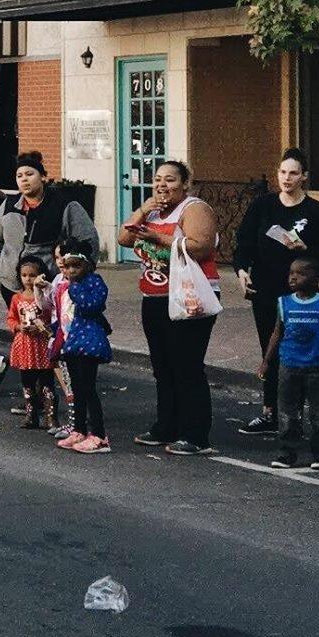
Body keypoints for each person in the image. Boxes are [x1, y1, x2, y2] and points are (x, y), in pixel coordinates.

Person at [233, 149, 319, 436]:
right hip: (265, 287)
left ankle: (296, 413)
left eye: (293, 173)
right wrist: (241, 270)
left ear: (304, 176)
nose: (287, 178)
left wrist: (306, 249)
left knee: (298, 350)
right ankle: (271, 411)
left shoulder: (315, 211)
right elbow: (244, 243)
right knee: (271, 348)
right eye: (282, 172)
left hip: (300, 293)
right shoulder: (262, 206)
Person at [120, 158, 220, 455]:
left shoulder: (194, 208)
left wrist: (158, 237)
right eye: (158, 179)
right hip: (154, 296)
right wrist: (142, 211)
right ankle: (166, 426)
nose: (162, 185)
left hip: (187, 298)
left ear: (185, 184)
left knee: (186, 365)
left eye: (170, 180)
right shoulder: (151, 211)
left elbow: (202, 246)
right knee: (162, 367)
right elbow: (124, 239)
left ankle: (196, 434)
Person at [258, 256, 319, 470]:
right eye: (291, 273)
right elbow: (276, 333)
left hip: (317, 366)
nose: (293, 277)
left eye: (300, 274)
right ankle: (286, 453)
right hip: (289, 365)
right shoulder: (284, 303)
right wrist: (266, 361)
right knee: (287, 413)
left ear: (317, 278)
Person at [0, 151, 101, 304]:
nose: (24, 179)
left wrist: (77, 275)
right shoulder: (9, 205)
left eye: (29, 174)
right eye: (19, 176)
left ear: (42, 177)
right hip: (12, 287)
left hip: (50, 286)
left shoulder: (64, 204)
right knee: (17, 320)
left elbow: (89, 240)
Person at [51, 242, 113, 453]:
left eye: (76, 266)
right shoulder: (66, 286)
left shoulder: (93, 282)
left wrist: (75, 288)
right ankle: (79, 429)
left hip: (89, 341)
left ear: (87, 265)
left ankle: (99, 435)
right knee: (76, 388)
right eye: (67, 266)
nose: (71, 271)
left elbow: (91, 306)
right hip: (73, 341)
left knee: (88, 388)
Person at [6, 256, 58, 429]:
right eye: (24, 275)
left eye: (32, 275)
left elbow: (52, 316)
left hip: (41, 344)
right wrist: (18, 327)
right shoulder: (17, 298)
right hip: (25, 344)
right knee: (27, 381)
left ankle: (51, 416)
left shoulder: (45, 298)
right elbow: (11, 318)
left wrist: (43, 327)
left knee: (47, 381)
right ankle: (31, 415)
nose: (28, 279)